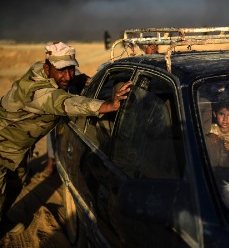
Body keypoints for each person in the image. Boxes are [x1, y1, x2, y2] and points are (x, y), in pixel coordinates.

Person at [0, 42, 132, 229]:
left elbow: (68, 76)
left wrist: (78, 79)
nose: (68, 76)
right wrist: (108, 106)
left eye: (71, 69)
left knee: (15, 184)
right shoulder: (37, 92)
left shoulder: (43, 69)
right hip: (3, 144)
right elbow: (67, 103)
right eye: (62, 71)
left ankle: (2, 220)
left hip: (17, 148)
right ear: (47, 68)